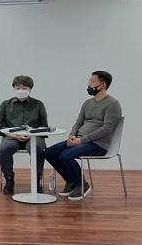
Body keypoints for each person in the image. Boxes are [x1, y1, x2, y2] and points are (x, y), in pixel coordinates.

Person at [45, 71, 122, 200]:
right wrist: (72, 135)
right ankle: (71, 181)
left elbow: (107, 129)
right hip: (79, 140)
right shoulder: (87, 103)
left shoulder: (112, 103)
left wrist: (82, 140)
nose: (89, 85)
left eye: (92, 82)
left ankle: (82, 185)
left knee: (66, 155)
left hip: (98, 144)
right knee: (49, 153)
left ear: (102, 85)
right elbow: (78, 122)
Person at [0, 75, 48, 194]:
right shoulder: (5, 104)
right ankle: (9, 178)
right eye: (18, 88)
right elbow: (0, 124)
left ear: (30, 89)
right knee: (4, 148)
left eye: (24, 88)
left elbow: (43, 125)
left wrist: (32, 135)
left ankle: (36, 179)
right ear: (13, 88)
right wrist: (14, 135)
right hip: (11, 136)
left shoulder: (38, 104)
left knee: (38, 148)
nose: (21, 90)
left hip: (33, 136)